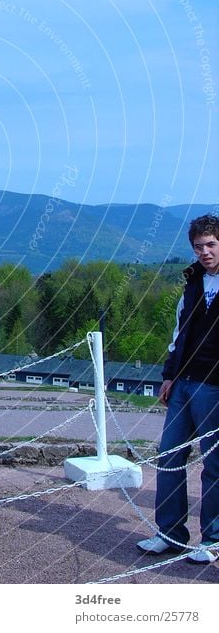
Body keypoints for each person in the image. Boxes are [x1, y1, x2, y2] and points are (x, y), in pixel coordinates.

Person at [137, 214, 219, 564]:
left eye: (211, 244)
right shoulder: (192, 281)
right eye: (199, 246)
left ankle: (213, 539)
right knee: (170, 458)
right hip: (183, 384)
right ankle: (170, 533)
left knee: (215, 465)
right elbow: (178, 332)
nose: (205, 252)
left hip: (215, 388)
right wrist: (169, 375)